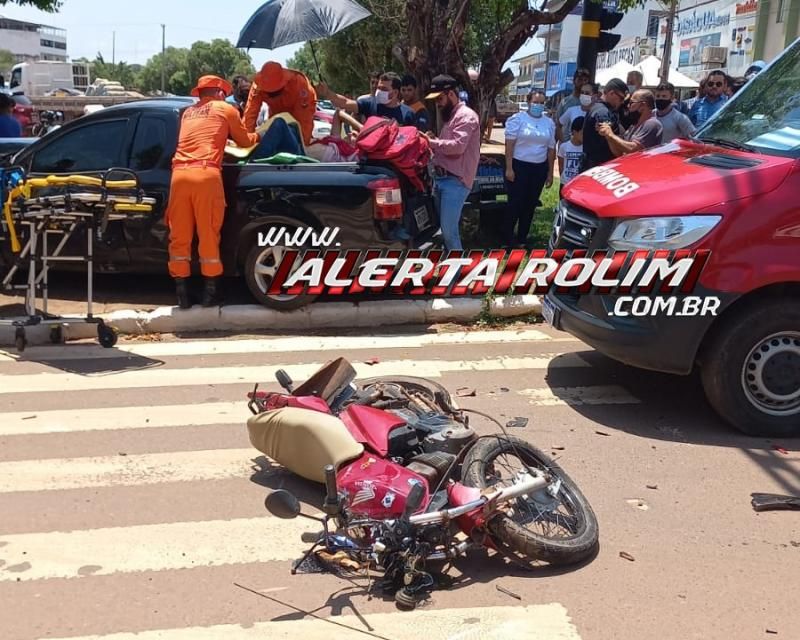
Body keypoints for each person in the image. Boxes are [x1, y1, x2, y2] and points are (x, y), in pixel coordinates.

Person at [167, 75, 261, 309]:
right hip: (206, 175)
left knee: (179, 237)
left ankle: (183, 296)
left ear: (199, 93)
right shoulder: (225, 108)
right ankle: (211, 294)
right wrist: (259, 134)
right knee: (208, 234)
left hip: (179, 176)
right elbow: (244, 141)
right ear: (220, 93)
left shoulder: (187, 113)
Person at [424, 74, 481, 252]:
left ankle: (458, 274)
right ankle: (451, 268)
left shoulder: (466, 116)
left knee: (449, 232)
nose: (438, 103)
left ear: (450, 94)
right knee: (444, 230)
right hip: (442, 179)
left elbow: (457, 147)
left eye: (439, 98)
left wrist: (430, 143)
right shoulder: (452, 116)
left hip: (455, 182)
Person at [503, 91, 555, 249]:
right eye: (535, 102)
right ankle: (507, 237)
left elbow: (551, 149)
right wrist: (509, 168)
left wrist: (550, 172)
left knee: (530, 204)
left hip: (539, 168)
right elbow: (509, 145)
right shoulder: (518, 120)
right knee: (515, 203)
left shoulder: (549, 123)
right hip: (519, 166)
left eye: (541, 103)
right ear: (528, 102)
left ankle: (522, 238)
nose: (538, 105)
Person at [244, 62, 317, 146]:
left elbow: (304, 122)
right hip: (276, 112)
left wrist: (303, 146)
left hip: (298, 112)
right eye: (268, 92)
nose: (271, 95)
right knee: (274, 135)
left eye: (275, 92)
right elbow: (249, 115)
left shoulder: (299, 85)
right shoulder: (258, 86)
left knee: (298, 141)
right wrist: (246, 143)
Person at [317, 72, 415, 127]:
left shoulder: (408, 113)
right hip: (370, 161)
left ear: (395, 93)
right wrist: (328, 93)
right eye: (378, 88)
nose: (379, 91)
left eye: (384, 89)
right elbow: (345, 102)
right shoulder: (369, 104)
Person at [580, 77, 627, 172]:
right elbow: (616, 151)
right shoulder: (603, 112)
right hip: (599, 168)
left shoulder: (597, 108)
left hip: (593, 166)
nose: (622, 102)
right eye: (621, 98)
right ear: (611, 93)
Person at [598, 89, 663, 156]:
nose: (628, 106)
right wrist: (607, 136)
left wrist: (610, 135)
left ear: (642, 105)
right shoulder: (634, 125)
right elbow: (619, 152)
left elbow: (634, 150)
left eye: (631, 103)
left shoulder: (652, 124)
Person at [556, 67, 592, 142]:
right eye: (580, 80)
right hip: (566, 145)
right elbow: (557, 125)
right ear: (574, 81)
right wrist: (562, 143)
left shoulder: (590, 102)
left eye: (585, 80)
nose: (582, 82)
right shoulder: (564, 102)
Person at [558, 116, 584, 198]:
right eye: (582, 133)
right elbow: (561, 165)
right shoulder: (564, 147)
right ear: (574, 132)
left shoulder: (586, 148)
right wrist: (563, 178)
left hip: (579, 185)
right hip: (566, 183)